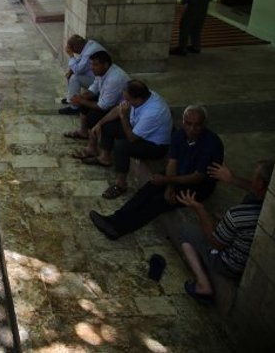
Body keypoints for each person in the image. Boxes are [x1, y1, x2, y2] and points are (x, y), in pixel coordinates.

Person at [89, 105, 224, 240]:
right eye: (188, 124)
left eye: (197, 125)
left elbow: (197, 177)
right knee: (147, 190)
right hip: (178, 175)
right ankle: (114, 219)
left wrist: (167, 181)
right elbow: (173, 162)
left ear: (204, 124)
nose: (192, 129)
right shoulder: (180, 135)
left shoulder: (211, 144)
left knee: (157, 203)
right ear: (183, 122)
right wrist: (169, 186)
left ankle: (119, 229)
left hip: (198, 186)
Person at [178, 159, 274, 304]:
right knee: (249, 198)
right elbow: (256, 190)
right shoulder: (266, 207)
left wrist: (199, 209)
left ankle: (203, 285)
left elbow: (215, 243)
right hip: (250, 258)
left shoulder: (238, 215)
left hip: (231, 265)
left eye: (254, 176)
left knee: (186, 231)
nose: (251, 178)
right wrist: (231, 179)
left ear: (260, 183)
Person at [75, 80, 172, 199]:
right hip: (138, 130)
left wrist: (123, 116)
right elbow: (118, 109)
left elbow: (131, 138)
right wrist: (100, 123)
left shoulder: (152, 112)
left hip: (155, 145)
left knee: (121, 146)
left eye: (128, 99)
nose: (125, 102)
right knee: (107, 125)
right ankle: (104, 158)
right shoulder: (143, 96)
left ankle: (120, 184)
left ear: (138, 99)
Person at [62, 50, 129, 141]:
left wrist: (81, 100)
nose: (92, 68)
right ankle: (83, 132)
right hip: (106, 100)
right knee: (83, 103)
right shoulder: (102, 72)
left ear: (105, 65)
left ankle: (95, 144)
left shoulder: (114, 79)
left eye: (95, 65)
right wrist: (82, 97)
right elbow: (94, 88)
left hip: (119, 108)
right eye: (92, 64)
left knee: (92, 116)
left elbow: (103, 106)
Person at [58, 34, 106, 115]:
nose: (72, 51)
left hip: (100, 80)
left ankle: (74, 108)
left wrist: (71, 56)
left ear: (76, 47)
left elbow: (78, 70)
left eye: (72, 49)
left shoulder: (89, 52)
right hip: (93, 76)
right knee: (71, 73)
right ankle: (71, 99)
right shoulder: (88, 44)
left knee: (75, 78)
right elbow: (80, 61)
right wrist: (70, 70)